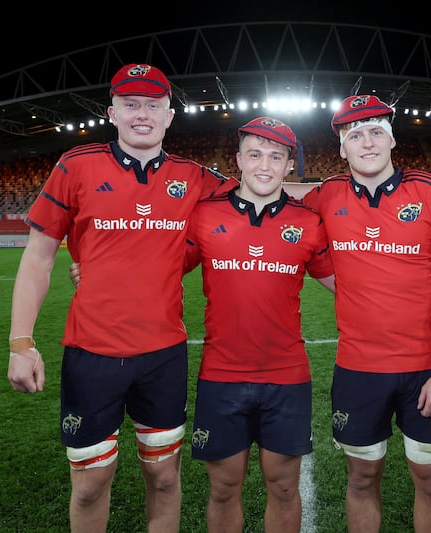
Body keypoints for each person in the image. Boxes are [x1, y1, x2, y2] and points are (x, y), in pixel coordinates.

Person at [71, 116, 335, 532]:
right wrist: (99, 269)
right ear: (238, 161)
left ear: (289, 166)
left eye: (276, 156)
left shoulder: (307, 223)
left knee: (284, 487)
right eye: (255, 154)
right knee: (224, 488)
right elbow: (158, 263)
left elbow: (349, 285)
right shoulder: (203, 216)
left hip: (287, 377)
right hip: (221, 377)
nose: (264, 165)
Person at [6, 63, 233, 533]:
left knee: (164, 476)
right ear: (113, 112)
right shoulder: (76, 164)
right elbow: (38, 259)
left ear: (170, 115)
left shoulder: (192, 177)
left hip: (163, 356)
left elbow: (259, 196)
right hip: (91, 354)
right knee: (90, 482)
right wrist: (21, 343)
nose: (142, 115)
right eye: (131, 105)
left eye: (153, 105)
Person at [299, 94, 431, 533]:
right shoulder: (325, 196)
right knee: (361, 478)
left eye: (376, 131)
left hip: (425, 369)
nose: (367, 142)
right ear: (341, 148)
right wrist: (348, 288)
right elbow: (288, 235)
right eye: (354, 135)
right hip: (358, 369)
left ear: (392, 138)